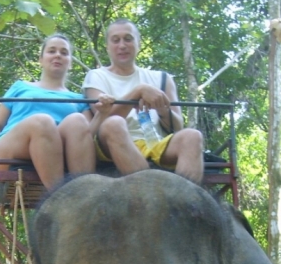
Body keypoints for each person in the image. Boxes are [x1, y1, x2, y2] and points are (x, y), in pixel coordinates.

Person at [0, 34, 113, 188]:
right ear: (41, 59)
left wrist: (102, 114)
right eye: (52, 51)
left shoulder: (79, 99)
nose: (58, 55)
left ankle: (85, 193)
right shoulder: (20, 87)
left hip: (56, 149)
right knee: (43, 121)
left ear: (70, 62)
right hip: (12, 147)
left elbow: (85, 136)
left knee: (77, 121)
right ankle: (59, 198)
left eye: (64, 52)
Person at [82, 19, 205, 182]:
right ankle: (151, 191)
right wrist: (137, 92)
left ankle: (186, 202)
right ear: (108, 47)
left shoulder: (162, 78)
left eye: (128, 39)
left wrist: (162, 111)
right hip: (114, 142)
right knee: (114, 124)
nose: (122, 45)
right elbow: (102, 116)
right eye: (115, 40)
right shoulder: (96, 76)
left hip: (156, 144)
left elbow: (178, 126)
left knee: (193, 136)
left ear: (138, 44)